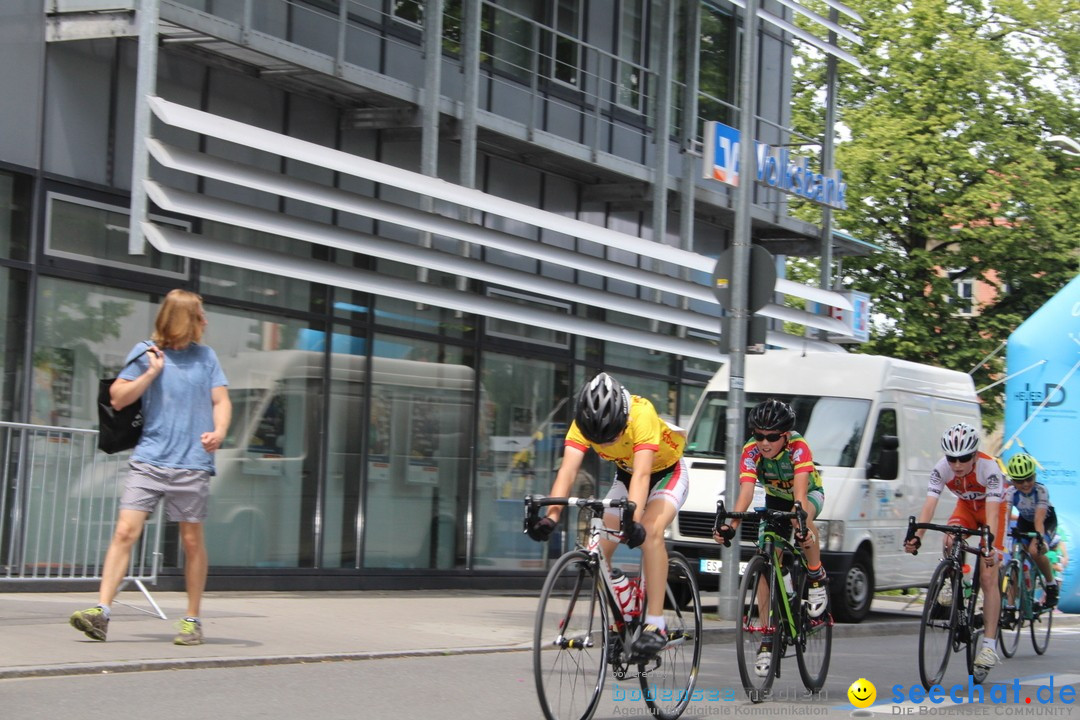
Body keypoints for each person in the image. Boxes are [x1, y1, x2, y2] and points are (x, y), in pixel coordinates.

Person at [69, 290, 231, 646]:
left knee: (191, 541)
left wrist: (218, 432)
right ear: (183, 318)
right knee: (124, 532)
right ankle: (101, 612)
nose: (205, 320)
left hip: (191, 463)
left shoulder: (206, 357)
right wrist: (151, 373)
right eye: (200, 314)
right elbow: (118, 397)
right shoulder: (147, 353)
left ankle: (192, 620)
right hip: (149, 459)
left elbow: (221, 401)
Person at [525, 373, 689, 659]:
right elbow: (568, 471)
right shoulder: (583, 422)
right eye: (598, 440)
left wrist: (634, 521)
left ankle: (656, 624)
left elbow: (642, 474)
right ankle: (619, 621)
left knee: (649, 533)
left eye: (612, 435)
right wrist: (551, 516)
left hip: (666, 473)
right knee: (597, 552)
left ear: (622, 417)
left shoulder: (642, 413)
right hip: (625, 476)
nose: (607, 443)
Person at [713, 399, 827, 677]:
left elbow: (800, 493)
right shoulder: (750, 450)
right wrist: (732, 524)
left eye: (772, 437)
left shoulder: (799, 447)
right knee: (766, 564)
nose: (764, 442)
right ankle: (767, 636)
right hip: (775, 498)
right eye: (759, 435)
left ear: (785, 436)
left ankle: (815, 576)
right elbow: (746, 492)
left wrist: (797, 517)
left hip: (808, 494)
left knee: (804, 522)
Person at [904, 422, 1005, 673]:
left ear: (975, 454)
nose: (958, 465)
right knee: (949, 538)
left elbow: (992, 515)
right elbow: (929, 507)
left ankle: (990, 646)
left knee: (988, 574)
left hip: (992, 511)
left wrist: (989, 546)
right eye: (952, 458)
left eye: (964, 458)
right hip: (966, 509)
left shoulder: (989, 469)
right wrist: (917, 537)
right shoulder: (941, 470)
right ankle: (955, 580)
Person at [1003, 453, 1059, 607]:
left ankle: (1051, 584)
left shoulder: (1041, 490)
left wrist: (1039, 539)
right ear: (1013, 481)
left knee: (1035, 551)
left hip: (1046, 521)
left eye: (1029, 478)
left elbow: (1038, 520)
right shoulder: (1010, 492)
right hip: (1025, 521)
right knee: (1014, 558)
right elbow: (1005, 518)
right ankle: (1010, 606)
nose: (1026, 484)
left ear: (1034, 476)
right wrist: (1001, 537)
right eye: (1020, 481)